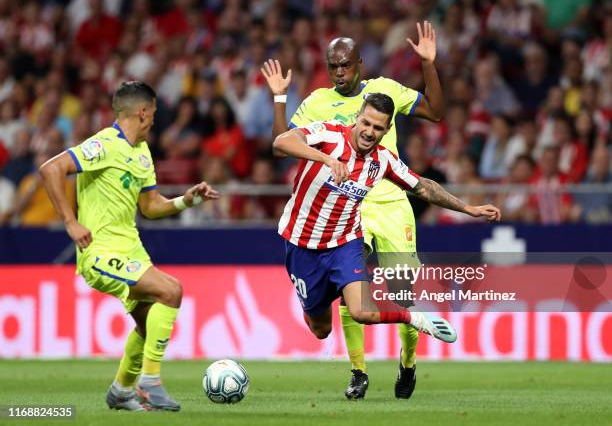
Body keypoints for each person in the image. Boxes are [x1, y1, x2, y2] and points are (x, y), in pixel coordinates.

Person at [263, 21, 444, 400]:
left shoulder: (385, 90)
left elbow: (436, 111)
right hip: (348, 207)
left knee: (402, 293)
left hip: (392, 203)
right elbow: (281, 142)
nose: (340, 73)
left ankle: (408, 363)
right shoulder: (316, 102)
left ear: (360, 63)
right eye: (333, 67)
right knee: (351, 292)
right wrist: (280, 98)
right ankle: (358, 371)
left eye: (346, 65)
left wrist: (428, 63)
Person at [273, 93, 501, 394]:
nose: (369, 132)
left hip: (345, 242)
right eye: (365, 123)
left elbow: (425, 188)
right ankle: (319, 300)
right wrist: (327, 159)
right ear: (357, 117)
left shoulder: (383, 160)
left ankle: (413, 319)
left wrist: (469, 209)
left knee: (361, 312)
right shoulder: (327, 134)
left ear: (386, 129)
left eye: (378, 128)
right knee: (321, 329)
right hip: (302, 243)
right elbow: (280, 143)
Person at [39, 81, 219, 411]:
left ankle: (121, 390)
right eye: (153, 113)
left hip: (131, 249)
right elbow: (51, 168)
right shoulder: (104, 144)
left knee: (147, 320)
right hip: (101, 252)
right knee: (171, 291)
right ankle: (150, 383)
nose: (154, 119)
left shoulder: (142, 151)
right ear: (142, 111)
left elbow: (150, 207)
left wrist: (186, 200)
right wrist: (70, 221)